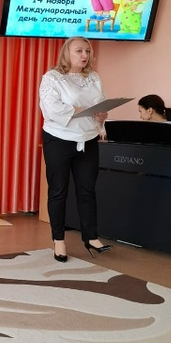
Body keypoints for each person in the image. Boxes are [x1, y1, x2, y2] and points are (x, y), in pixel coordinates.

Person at [39, 36, 112, 262]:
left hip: (88, 139)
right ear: (67, 54)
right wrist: (85, 110)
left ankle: (91, 237)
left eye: (87, 51)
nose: (84, 55)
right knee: (58, 190)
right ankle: (58, 240)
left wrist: (102, 115)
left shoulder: (93, 77)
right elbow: (52, 109)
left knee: (87, 190)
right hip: (58, 139)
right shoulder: (52, 78)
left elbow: (101, 104)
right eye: (79, 51)